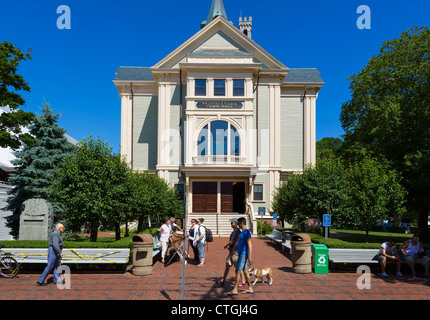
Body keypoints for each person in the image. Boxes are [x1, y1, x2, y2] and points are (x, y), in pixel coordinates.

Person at [227, 217, 253, 295]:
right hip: (241, 253)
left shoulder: (246, 232)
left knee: (237, 271)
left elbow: (250, 244)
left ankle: (235, 289)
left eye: (238, 224)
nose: (238, 225)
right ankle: (250, 288)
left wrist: (249, 257)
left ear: (241, 223)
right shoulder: (243, 232)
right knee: (245, 271)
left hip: (243, 254)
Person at [217, 218, 245, 287]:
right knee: (227, 265)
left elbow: (232, 241)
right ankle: (223, 280)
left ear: (235, 224)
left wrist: (226, 245)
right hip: (233, 252)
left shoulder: (235, 232)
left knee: (238, 268)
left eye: (232, 223)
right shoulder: (237, 231)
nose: (231, 224)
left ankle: (243, 281)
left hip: (234, 252)